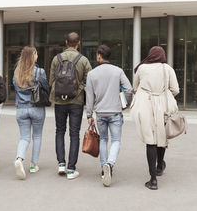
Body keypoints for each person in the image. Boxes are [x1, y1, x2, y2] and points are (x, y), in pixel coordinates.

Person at [130, 46, 179, 190]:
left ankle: (153, 180)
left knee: (149, 140)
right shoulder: (167, 68)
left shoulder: (142, 68)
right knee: (162, 137)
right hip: (162, 105)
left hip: (145, 105)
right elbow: (175, 89)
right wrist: (163, 95)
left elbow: (135, 87)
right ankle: (160, 165)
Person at [86, 45, 132, 187]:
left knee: (104, 139)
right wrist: (125, 103)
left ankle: (103, 168)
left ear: (99, 56)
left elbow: (89, 96)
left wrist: (89, 114)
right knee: (116, 140)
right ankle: (110, 164)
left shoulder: (92, 74)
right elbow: (129, 89)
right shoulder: (118, 71)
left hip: (100, 113)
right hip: (115, 112)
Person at [49, 32, 92, 180]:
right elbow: (89, 81)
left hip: (59, 101)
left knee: (59, 131)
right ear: (78, 43)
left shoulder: (56, 59)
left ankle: (61, 163)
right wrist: (77, 90)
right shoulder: (84, 60)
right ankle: (71, 169)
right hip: (76, 102)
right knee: (74, 134)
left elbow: (51, 81)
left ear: (66, 42)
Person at [13, 46, 48, 180]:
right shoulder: (39, 72)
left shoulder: (16, 72)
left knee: (24, 138)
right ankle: (33, 165)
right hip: (36, 107)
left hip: (21, 108)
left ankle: (19, 159)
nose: (37, 56)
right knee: (37, 136)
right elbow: (45, 87)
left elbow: (15, 87)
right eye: (36, 54)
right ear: (32, 57)